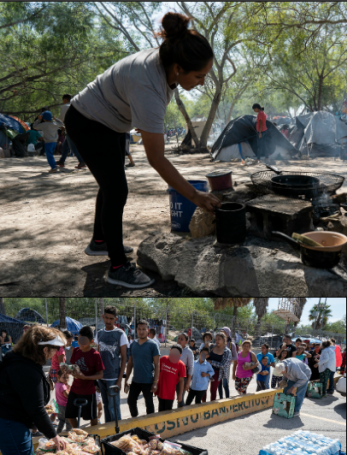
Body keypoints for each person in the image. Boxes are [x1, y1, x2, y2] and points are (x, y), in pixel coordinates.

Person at [66, 12, 220, 289]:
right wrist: (195, 195)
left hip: (109, 122)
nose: (202, 82)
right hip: (88, 121)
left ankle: (100, 241)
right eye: (199, 76)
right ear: (178, 68)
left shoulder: (165, 63)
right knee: (116, 190)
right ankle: (117, 267)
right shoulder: (148, 84)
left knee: (110, 184)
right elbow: (156, 158)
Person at [0, 326, 70, 455]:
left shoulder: (20, 360)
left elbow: (25, 399)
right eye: (56, 348)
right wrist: (54, 436)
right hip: (5, 422)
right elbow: (36, 409)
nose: (57, 352)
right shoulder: (26, 369)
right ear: (45, 350)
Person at [66, 326, 104, 428]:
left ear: (91, 341)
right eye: (79, 339)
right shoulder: (76, 351)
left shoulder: (95, 355)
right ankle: (77, 432)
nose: (80, 343)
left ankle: (92, 435)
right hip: (74, 389)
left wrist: (84, 377)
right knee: (70, 415)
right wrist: (69, 370)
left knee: (92, 417)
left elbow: (100, 374)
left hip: (88, 391)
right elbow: (73, 366)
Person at [95, 306, 128, 423]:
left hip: (113, 378)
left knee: (114, 407)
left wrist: (119, 380)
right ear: (103, 317)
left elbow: (124, 358)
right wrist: (96, 379)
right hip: (101, 377)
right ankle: (109, 429)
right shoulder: (99, 334)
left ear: (116, 319)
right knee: (105, 405)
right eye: (106, 318)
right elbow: (97, 356)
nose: (108, 321)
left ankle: (118, 431)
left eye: (111, 318)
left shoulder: (120, 334)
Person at [124, 319, 161, 417]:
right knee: (131, 401)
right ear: (136, 330)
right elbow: (130, 363)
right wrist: (126, 379)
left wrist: (155, 382)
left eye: (144, 329)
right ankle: (135, 419)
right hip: (135, 380)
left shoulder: (153, 345)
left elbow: (157, 365)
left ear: (148, 330)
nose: (141, 331)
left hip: (148, 381)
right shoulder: (133, 345)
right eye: (139, 329)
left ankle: (150, 423)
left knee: (149, 403)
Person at [56, 94, 86, 169]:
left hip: (71, 128)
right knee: (65, 146)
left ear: (65, 100)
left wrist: (55, 121)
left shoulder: (65, 106)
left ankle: (81, 161)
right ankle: (61, 161)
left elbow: (61, 118)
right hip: (78, 128)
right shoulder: (76, 106)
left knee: (72, 147)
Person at [156, 344, 187, 411]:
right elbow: (157, 372)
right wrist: (155, 384)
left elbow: (181, 381)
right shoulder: (163, 359)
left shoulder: (181, 365)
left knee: (168, 410)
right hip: (160, 390)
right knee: (160, 409)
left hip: (170, 393)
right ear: (170, 351)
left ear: (180, 355)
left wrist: (180, 394)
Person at [207, 332, 234, 401]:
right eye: (216, 339)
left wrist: (211, 362)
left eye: (219, 339)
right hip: (206, 370)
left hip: (217, 373)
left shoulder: (227, 351)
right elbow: (205, 355)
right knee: (203, 389)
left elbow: (223, 365)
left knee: (213, 390)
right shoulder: (212, 347)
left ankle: (212, 404)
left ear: (224, 339)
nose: (217, 341)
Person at [176, 333, 194, 404]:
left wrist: (188, 382)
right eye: (178, 338)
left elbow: (191, 367)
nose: (179, 340)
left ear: (186, 341)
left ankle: (181, 411)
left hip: (182, 378)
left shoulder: (188, 352)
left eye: (182, 339)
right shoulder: (174, 348)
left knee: (180, 398)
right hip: (172, 376)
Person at [54, 368, 71, 433]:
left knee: (61, 420)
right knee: (69, 421)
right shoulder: (63, 386)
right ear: (58, 377)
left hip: (58, 405)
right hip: (65, 406)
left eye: (67, 377)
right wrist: (69, 389)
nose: (66, 379)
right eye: (64, 377)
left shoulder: (57, 384)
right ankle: (68, 433)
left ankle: (58, 432)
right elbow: (67, 395)